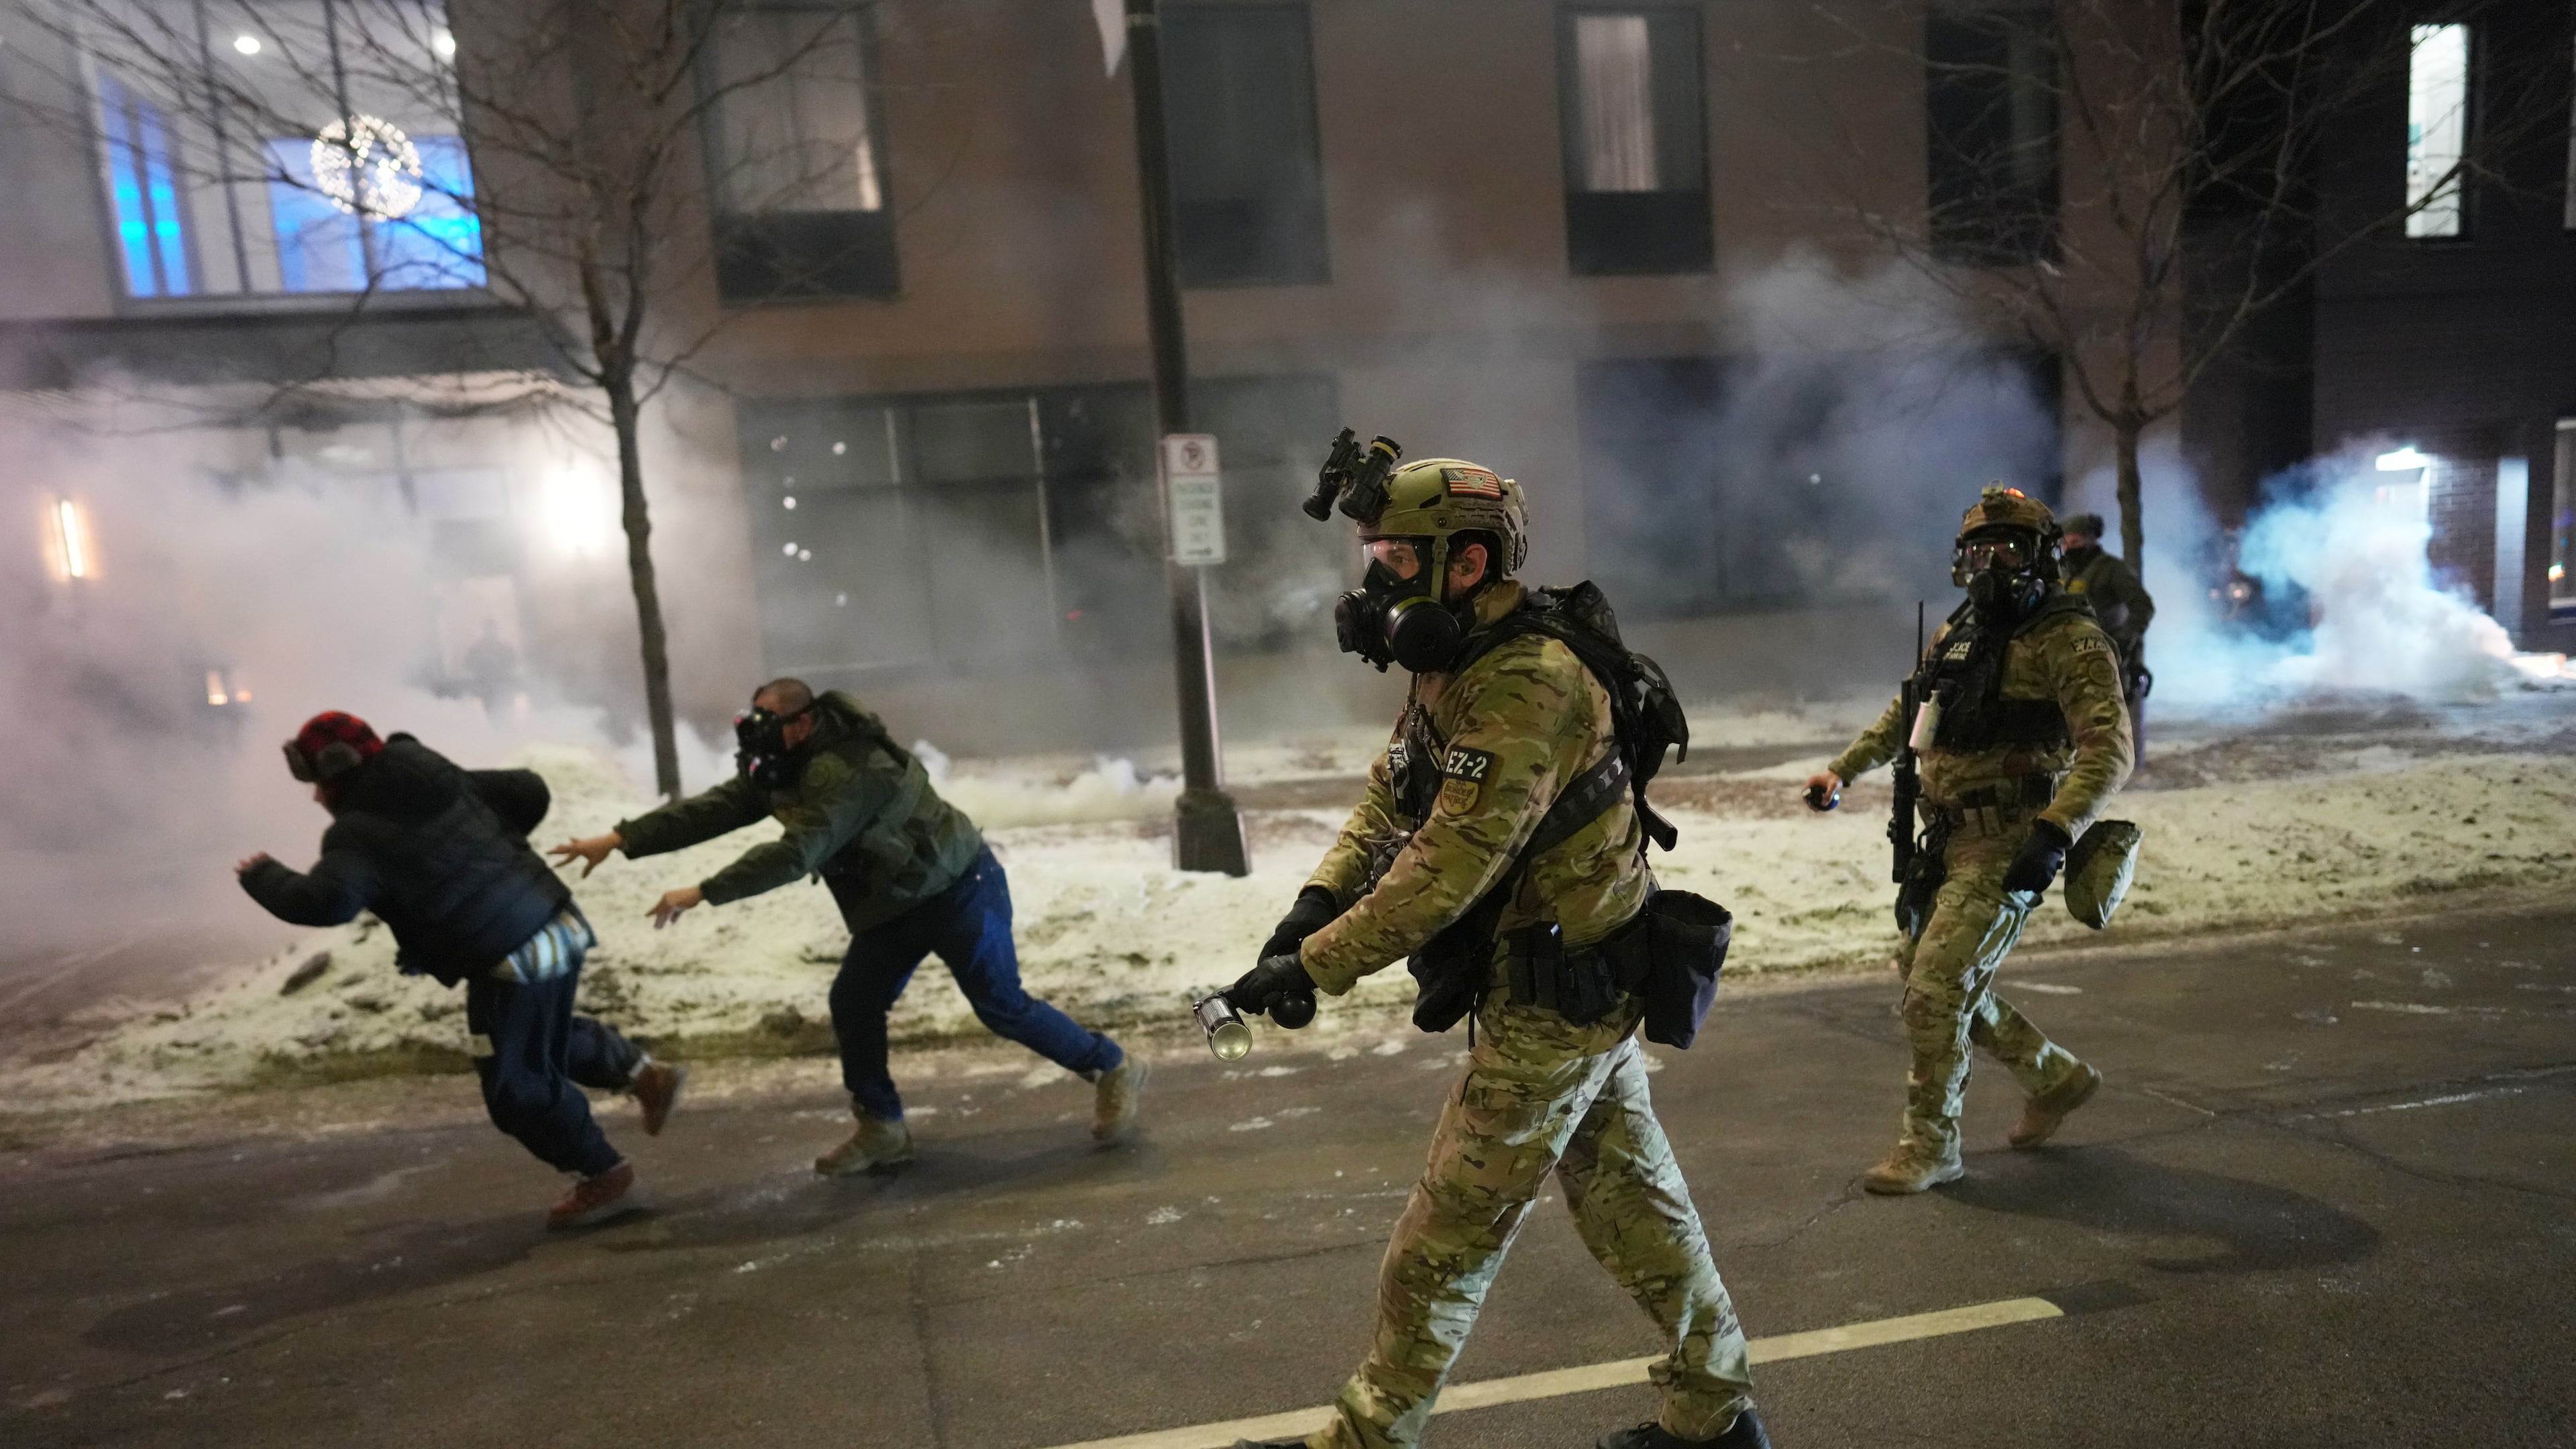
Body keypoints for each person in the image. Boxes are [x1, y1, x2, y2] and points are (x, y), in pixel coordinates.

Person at [1225, 455, 1767, 1449]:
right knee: (1632, 1210)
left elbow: (1446, 869)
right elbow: (1393, 799)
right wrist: (1310, 908)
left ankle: (1370, 1436)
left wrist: (1317, 968)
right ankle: (1716, 1415)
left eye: (1395, 557)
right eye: (1373, 557)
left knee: (1438, 1249)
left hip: (1559, 997)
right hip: (1563, 982)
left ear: (1466, 564)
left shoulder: (1529, 683)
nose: (1374, 582)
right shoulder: (1456, 664)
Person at [551, 679, 1144, 1174]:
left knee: (1001, 1005)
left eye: (769, 721)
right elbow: (715, 809)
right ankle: (883, 1127)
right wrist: (621, 839)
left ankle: (1112, 1065)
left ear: (804, 723)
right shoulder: (786, 765)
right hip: (892, 906)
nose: (757, 734)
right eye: (751, 721)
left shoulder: (844, 770)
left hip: (959, 889)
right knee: (854, 1003)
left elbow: (796, 854)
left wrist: (704, 892)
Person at [1803, 486, 2133, 1195]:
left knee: (1935, 989)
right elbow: (1911, 710)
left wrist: (2056, 830)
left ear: (2040, 557)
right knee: (1928, 973)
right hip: (1944, 841)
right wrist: (1843, 770)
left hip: (2009, 841)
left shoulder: (2068, 638)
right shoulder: (1962, 630)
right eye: (1979, 551)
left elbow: (2108, 750)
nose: (1991, 565)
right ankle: (2054, 1077)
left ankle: (1931, 1146)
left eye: (2008, 549)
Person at [237, 711, 684, 1230]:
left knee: (515, 1087)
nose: (316, 798)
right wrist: (494, 849)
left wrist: (263, 876)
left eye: (318, 785)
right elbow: (529, 791)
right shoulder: (437, 776)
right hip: (556, 920)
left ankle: (605, 1175)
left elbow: (327, 902)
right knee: (538, 1036)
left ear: (338, 776)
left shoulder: (356, 836)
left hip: (508, 956)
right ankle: (643, 1076)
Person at [2057, 513, 2153, 753]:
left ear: (2091, 540)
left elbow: (2142, 606)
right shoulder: (2062, 572)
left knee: (2100, 731)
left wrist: (2123, 639)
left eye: (2076, 543)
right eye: (2065, 543)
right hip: (2063, 660)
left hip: (2101, 659)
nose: (2069, 549)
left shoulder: (2111, 569)